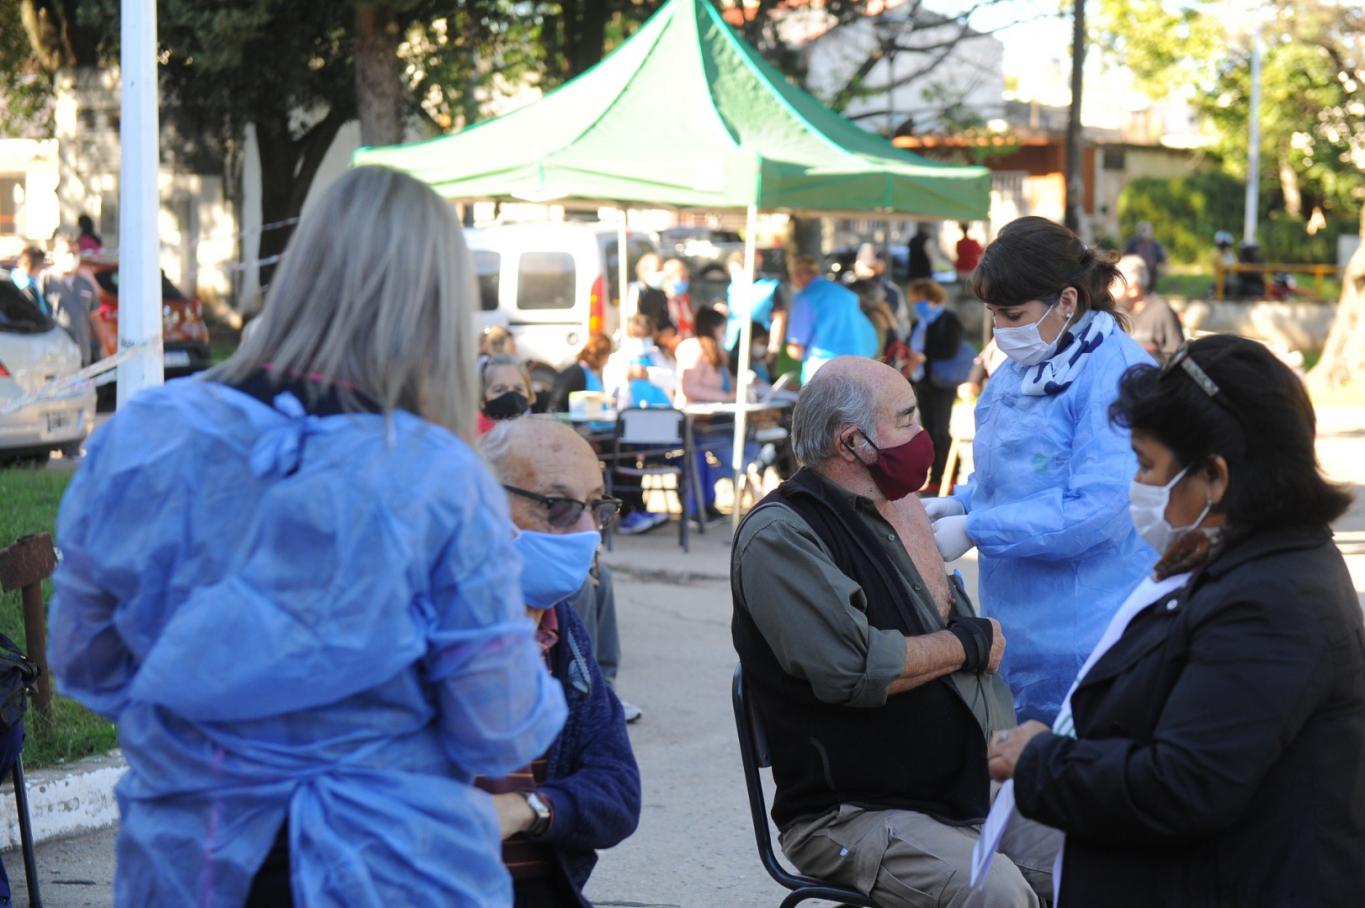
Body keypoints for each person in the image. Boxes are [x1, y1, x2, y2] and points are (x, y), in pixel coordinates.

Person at [45, 166, 567, 906]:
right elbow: (499, 728)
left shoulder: (146, 435)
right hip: (390, 871)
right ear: (440, 310)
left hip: (190, 866)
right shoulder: (435, 474)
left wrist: (209, 724)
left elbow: (86, 663)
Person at [988, 335, 1364, 906]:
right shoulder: (1233, 561)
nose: (1136, 486)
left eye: (1146, 465)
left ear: (1214, 477)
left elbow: (1182, 785)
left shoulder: (1272, 603)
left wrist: (1042, 760)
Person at [732, 356, 1057, 908]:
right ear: (852, 441)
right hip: (852, 812)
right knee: (999, 894)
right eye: (906, 419)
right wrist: (965, 645)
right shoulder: (781, 535)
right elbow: (853, 667)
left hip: (963, 788)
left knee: (1106, 852)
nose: (922, 434)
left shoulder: (900, 507)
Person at [923, 216, 1154, 724]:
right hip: (1019, 620)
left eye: (1011, 314)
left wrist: (976, 527)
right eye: (992, 315)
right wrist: (960, 501)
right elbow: (1011, 472)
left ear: (1067, 302)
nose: (1001, 330)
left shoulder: (1116, 376)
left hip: (1090, 624)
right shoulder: (1025, 366)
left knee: (1078, 772)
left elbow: (1099, 508)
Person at [477, 417, 643, 905]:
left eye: (595, 506)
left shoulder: (559, 628)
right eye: (560, 506)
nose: (588, 530)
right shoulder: (415, 623)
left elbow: (617, 793)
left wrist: (526, 809)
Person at [906, 279, 967, 490]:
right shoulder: (918, 324)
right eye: (915, 301)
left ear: (933, 299)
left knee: (942, 429)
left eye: (921, 300)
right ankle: (935, 475)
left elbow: (950, 348)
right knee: (929, 430)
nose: (917, 305)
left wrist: (924, 356)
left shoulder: (948, 319)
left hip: (942, 382)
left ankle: (950, 473)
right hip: (923, 381)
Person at [785, 255, 879, 384]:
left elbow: (796, 349)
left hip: (824, 372)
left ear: (797, 275)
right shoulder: (845, 294)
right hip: (859, 367)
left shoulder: (805, 298)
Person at [1113, 254, 1183, 366]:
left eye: (1114, 284)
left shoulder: (1161, 312)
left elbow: (1177, 359)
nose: (1109, 289)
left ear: (1133, 289)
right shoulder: (1115, 313)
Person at [42, 235, 98, 365]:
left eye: (75, 252)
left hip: (82, 356)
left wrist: (103, 347)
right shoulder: (45, 281)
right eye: (67, 252)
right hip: (54, 356)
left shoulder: (85, 284)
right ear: (56, 255)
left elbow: (95, 319)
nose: (72, 256)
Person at [722, 250, 786, 355]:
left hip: (758, 343)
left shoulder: (769, 287)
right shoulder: (733, 288)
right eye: (732, 273)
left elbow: (779, 317)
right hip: (732, 343)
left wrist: (774, 344)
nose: (734, 277)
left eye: (738, 271)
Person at [547, 334, 613, 413]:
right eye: (607, 356)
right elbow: (556, 404)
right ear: (600, 355)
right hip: (574, 423)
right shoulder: (575, 372)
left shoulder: (591, 373)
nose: (607, 361)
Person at [479, 354, 536, 434]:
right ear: (483, 397)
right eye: (499, 389)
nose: (511, 395)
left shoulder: (536, 435)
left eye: (518, 389)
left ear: (529, 393)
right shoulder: (470, 439)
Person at [627, 253, 671, 334]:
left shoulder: (660, 292)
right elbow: (634, 319)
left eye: (662, 270)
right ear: (645, 271)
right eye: (658, 270)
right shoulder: (636, 290)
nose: (661, 274)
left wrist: (669, 330)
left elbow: (665, 317)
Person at [1122, 221, 1166, 292]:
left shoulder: (1155, 244)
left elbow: (1161, 258)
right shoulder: (1132, 243)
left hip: (1151, 271)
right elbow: (1125, 256)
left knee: (1151, 290)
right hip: (1137, 272)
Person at [10, 246, 49, 317]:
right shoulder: (27, 287)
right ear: (37, 266)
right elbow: (37, 315)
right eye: (41, 266)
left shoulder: (10, 279)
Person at [661, 258, 694, 338]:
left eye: (686, 277)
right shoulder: (662, 300)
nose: (685, 281)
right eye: (682, 277)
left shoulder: (685, 298)